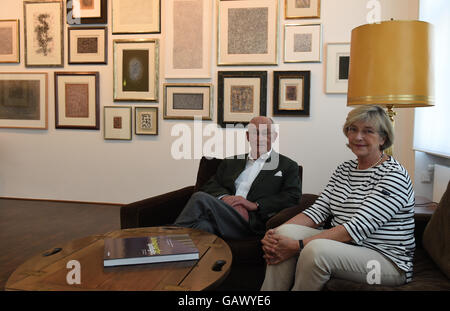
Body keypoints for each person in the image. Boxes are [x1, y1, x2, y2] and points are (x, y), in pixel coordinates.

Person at [260, 105, 415, 291]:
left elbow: (355, 228)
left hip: (385, 262)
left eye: (368, 131)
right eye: (353, 129)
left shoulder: (393, 176)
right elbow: (318, 211)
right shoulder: (345, 169)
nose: (358, 137)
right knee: (281, 236)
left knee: (316, 251)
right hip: (348, 247)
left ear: (383, 138)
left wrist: (295, 245)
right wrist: (274, 234)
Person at [174, 116, 301, 239]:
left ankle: (169, 239)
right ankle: (178, 256)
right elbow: (212, 185)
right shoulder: (231, 162)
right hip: (224, 214)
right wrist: (226, 198)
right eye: (254, 133)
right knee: (203, 226)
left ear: (274, 136)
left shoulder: (287, 166)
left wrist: (255, 205)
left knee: (199, 197)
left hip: (251, 221)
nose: (260, 138)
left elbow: (293, 196)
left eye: (265, 133)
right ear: (247, 136)